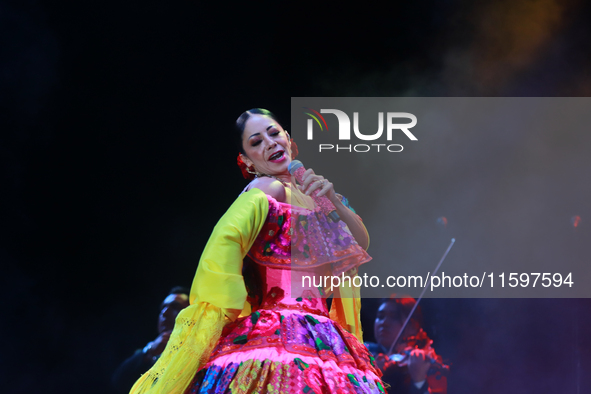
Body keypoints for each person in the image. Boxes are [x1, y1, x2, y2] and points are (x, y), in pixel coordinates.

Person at [130, 108, 384, 393]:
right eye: (256, 142)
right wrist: (218, 305)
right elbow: (226, 237)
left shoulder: (314, 193)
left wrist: (332, 200)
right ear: (247, 160)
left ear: (289, 139)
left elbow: (360, 244)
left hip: (322, 332)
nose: (270, 143)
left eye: (274, 134)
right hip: (277, 327)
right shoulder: (266, 188)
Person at [112, 287, 190, 394]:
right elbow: (119, 381)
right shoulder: (147, 353)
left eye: (175, 307)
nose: (165, 313)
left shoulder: (202, 351)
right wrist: (148, 352)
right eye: (163, 308)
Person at [365, 297, 448, 394]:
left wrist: (419, 382)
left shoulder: (428, 367)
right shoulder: (362, 353)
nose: (384, 323)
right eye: (380, 316)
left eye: (394, 317)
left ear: (413, 326)